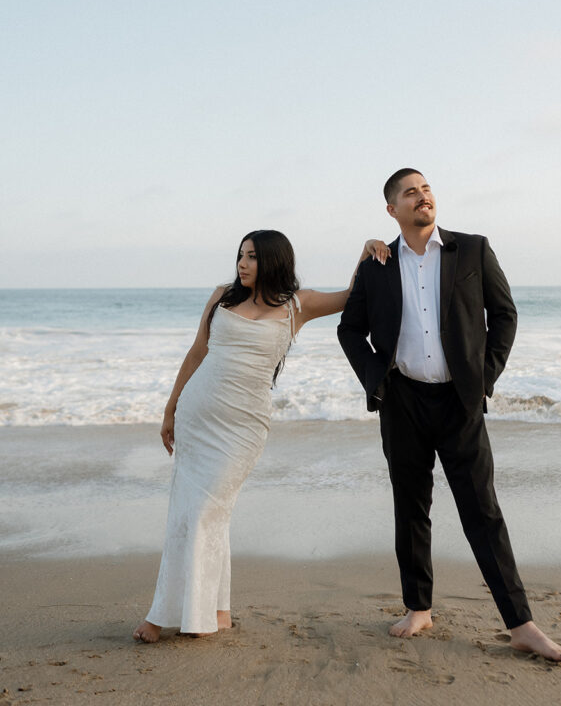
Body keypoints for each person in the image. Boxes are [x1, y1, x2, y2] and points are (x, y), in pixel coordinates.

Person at [337, 170, 561, 662]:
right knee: (411, 507)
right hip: (402, 401)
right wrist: (376, 379)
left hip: (459, 402)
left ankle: (521, 623)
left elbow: (505, 314)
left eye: (426, 189)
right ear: (391, 211)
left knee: (482, 513)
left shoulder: (472, 249)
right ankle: (418, 608)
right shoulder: (377, 263)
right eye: (410, 193)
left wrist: (483, 377)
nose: (422, 197)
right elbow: (349, 329)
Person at [134, 229, 387, 643]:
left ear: (272, 260)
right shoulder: (221, 297)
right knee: (195, 511)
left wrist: (364, 251)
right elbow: (198, 351)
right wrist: (170, 406)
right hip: (198, 415)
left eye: (251, 257)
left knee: (204, 511)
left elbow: (351, 294)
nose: (242, 264)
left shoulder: (297, 306)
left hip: (243, 428)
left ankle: (165, 616)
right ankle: (217, 611)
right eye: (240, 255)